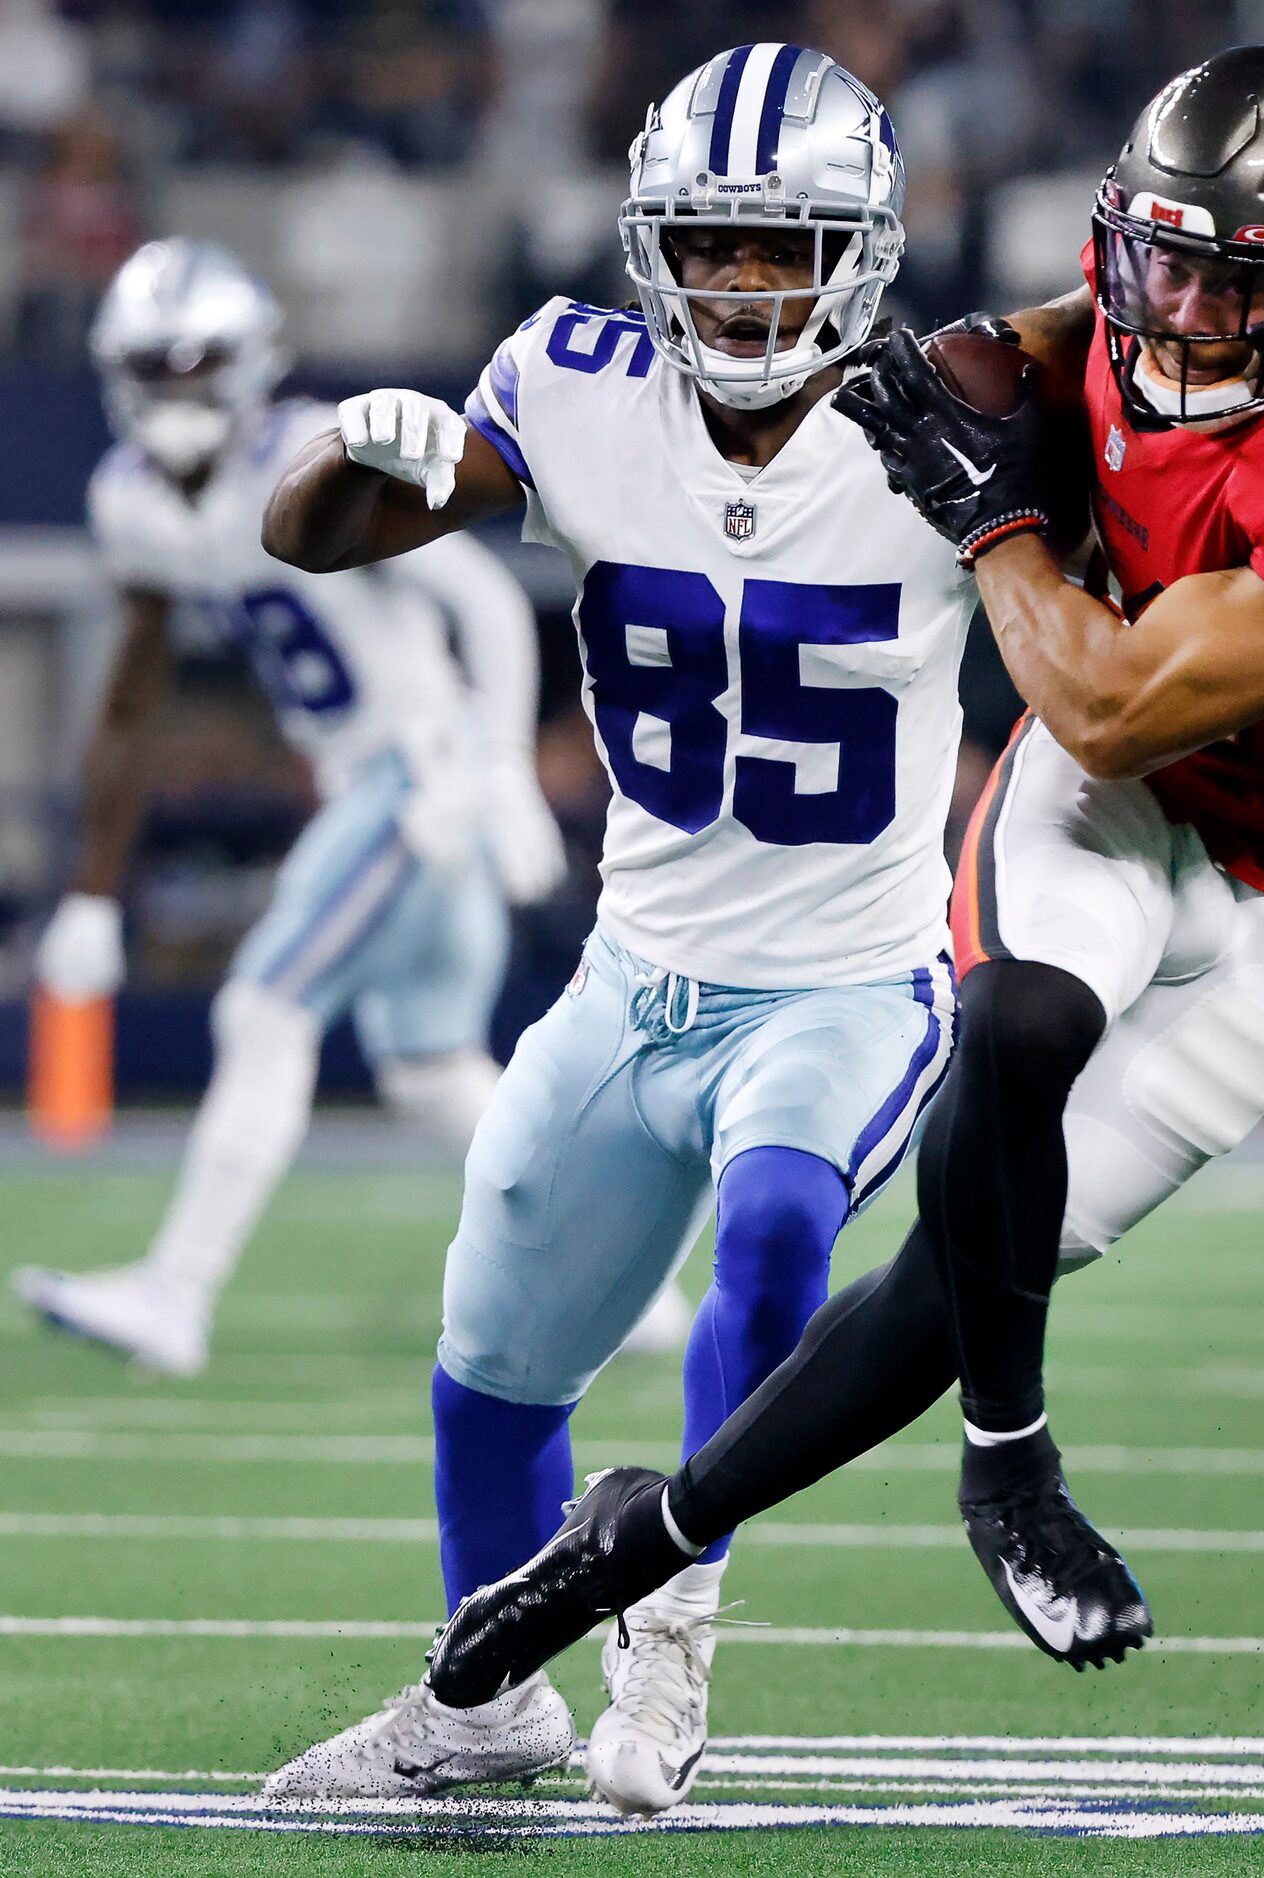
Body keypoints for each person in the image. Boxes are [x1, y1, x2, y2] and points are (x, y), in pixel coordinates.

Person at [411, 45, 1264, 1707]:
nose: (1162, 300)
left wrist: (988, 521)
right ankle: (1013, 1465)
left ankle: (641, 1538)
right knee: (1005, 1034)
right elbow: (1041, 372)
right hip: (1104, 814)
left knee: (968, 1262)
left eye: (1216, 275)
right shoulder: (1154, 293)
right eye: (1147, 249)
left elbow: (1108, 696)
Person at [259, 45, 972, 1812]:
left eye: (777, 246)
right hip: (628, 975)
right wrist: (353, 442)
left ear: (860, 253)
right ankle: (486, 1701)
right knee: (492, 1358)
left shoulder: (951, 424)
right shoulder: (573, 385)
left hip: (843, 975)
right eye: (708, 245)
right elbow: (304, 536)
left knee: (781, 1214)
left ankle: (670, 1646)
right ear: (653, 245)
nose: (738, 285)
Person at [15, 238, 565, 1381]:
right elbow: (130, 697)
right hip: (383, 784)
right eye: (150, 370)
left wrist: (497, 767)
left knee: (264, 1010)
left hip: (417, 776)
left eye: (194, 365)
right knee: (429, 1071)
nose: (174, 394)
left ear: (249, 361)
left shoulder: (315, 452)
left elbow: (486, 603)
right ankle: (632, 1283)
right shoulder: (131, 499)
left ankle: (175, 1293)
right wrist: (90, 892)